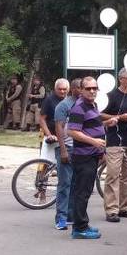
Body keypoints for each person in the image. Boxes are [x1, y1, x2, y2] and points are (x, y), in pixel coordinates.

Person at [66, 76, 107, 241]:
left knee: (85, 191)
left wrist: (106, 124)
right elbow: (72, 131)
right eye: (88, 88)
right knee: (82, 193)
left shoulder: (93, 105)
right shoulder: (79, 107)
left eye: (94, 88)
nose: (92, 91)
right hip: (83, 156)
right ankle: (79, 228)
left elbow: (91, 127)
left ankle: (82, 224)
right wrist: (94, 142)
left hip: (92, 155)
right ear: (81, 90)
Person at [101, 68, 127, 223]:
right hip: (115, 141)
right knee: (113, 175)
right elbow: (99, 114)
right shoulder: (111, 96)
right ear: (120, 79)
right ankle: (111, 210)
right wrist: (118, 117)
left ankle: (124, 207)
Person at [52, 78, 81, 230]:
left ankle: (71, 215)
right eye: (78, 87)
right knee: (65, 184)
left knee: (76, 184)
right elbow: (59, 127)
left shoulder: (85, 105)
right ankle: (61, 218)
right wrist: (62, 149)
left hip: (81, 150)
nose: (81, 90)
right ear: (73, 89)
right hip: (67, 148)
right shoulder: (63, 106)